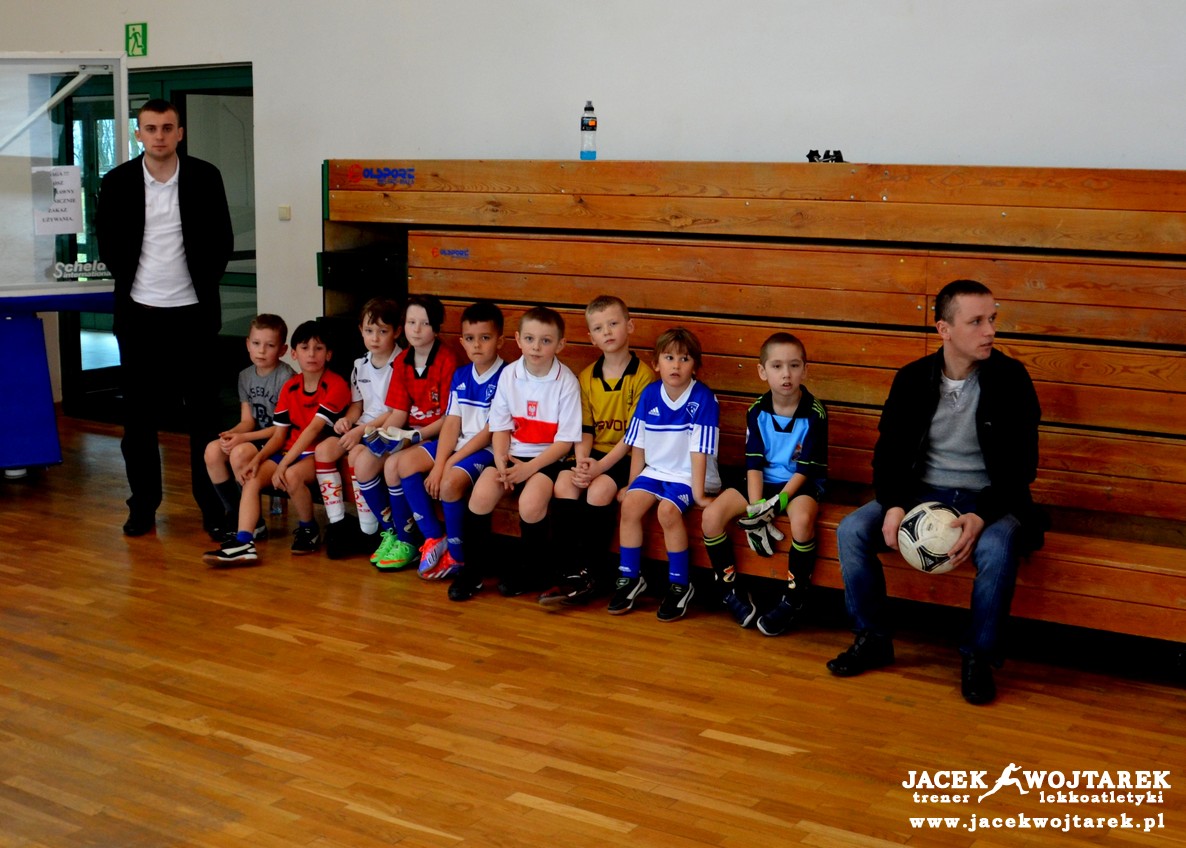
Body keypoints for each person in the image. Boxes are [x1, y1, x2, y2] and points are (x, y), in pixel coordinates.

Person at [827, 279, 1046, 705]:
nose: (990, 331)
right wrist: (892, 505)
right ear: (944, 329)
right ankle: (872, 637)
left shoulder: (1011, 379)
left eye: (992, 319)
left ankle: (978, 657)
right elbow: (887, 456)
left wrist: (983, 514)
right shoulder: (911, 380)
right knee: (852, 530)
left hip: (992, 497)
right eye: (976, 321)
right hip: (920, 494)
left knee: (997, 549)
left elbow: (1022, 468)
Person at [96, 98, 234, 537]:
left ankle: (213, 507)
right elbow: (108, 243)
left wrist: (197, 284)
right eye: (150, 128)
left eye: (167, 128)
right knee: (138, 421)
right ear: (139, 134)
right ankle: (143, 506)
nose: (159, 136)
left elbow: (222, 241)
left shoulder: (205, 177)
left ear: (180, 133)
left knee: (203, 418)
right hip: (140, 317)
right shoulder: (116, 182)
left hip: (193, 316)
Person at [448, 306, 581, 602]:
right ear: (519, 340)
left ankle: (530, 570)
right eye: (531, 339)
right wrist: (500, 461)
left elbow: (564, 444)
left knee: (531, 504)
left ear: (560, 344)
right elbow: (500, 427)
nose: (536, 347)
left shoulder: (567, 383)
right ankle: (473, 571)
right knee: (481, 494)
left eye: (546, 341)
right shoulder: (510, 375)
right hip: (510, 456)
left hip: (547, 461)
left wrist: (528, 469)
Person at [700, 332, 828, 635]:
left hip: (798, 485)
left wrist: (779, 503)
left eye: (795, 366)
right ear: (762, 372)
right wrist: (757, 507)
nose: (786, 374)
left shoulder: (815, 413)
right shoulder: (756, 410)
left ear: (805, 370)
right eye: (777, 366)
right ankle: (729, 590)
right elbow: (754, 464)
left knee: (802, 521)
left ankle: (794, 599)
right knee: (710, 517)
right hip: (760, 483)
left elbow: (805, 470)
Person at [540, 295, 657, 608]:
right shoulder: (586, 377)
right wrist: (582, 464)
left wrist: (599, 468)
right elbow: (585, 429)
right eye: (599, 327)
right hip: (594, 455)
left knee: (600, 490)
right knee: (565, 483)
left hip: (627, 457)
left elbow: (634, 437)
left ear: (629, 326)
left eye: (614, 323)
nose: (607, 331)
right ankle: (565, 573)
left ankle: (593, 573)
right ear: (591, 337)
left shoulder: (643, 376)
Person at [202, 320, 351, 564]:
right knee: (252, 477)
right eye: (304, 348)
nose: (311, 354)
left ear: (329, 354)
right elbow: (280, 434)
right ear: (294, 353)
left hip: (315, 453)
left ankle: (308, 528)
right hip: (288, 450)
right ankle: (244, 542)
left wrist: (282, 465)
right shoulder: (291, 387)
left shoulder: (335, 384)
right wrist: (258, 460)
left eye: (319, 348)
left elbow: (312, 431)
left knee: (291, 475)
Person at [609, 328, 721, 621]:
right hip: (656, 470)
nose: (676, 365)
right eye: (669, 358)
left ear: (694, 365)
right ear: (656, 363)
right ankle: (630, 577)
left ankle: (680, 584)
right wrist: (631, 486)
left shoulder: (704, 398)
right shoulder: (649, 395)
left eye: (684, 359)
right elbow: (639, 446)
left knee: (668, 511)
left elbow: (699, 453)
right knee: (630, 505)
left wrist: (699, 495)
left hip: (690, 475)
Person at [396, 300, 508, 581]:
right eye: (470, 339)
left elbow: (490, 431)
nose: (477, 346)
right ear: (462, 341)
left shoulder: (508, 376)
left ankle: (458, 557)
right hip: (457, 447)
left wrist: (447, 464)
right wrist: (440, 461)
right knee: (405, 463)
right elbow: (451, 424)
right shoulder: (461, 375)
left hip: (484, 451)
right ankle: (434, 538)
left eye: (485, 338)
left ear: (501, 340)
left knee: (448, 484)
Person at [353, 294, 458, 571]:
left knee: (392, 467)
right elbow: (399, 412)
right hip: (410, 432)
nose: (416, 329)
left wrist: (415, 437)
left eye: (424, 323)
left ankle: (410, 540)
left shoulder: (447, 360)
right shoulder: (402, 362)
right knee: (363, 461)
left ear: (436, 328)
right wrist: (383, 434)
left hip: (438, 434)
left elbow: (450, 418)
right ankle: (391, 532)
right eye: (411, 322)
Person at [314, 298, 404, 559]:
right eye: (369, 331)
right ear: (360, 331)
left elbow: (394, 412)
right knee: (324, 451)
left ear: (397, 332)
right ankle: (338, 523)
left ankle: (369, 531)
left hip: (386, 430)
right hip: (362, 427)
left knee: (354, 456)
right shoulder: (359, 365)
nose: (375, 338)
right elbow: (358, 404)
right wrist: (347, 421)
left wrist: (361, 430)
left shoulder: (401, 364)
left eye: (382, 331)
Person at [203, 313, 295, 541]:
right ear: (247, 344)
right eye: (256, 344)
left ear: (282, 350)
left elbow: (281, 429)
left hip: (279, 439)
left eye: (269, 345)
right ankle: (238, 515)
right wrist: (233, 434)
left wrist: (242, 440)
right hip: (256, 434)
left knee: (240, 453)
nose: (261, 351)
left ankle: (253, 523)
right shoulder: (245, 376)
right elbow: (248, 421)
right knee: (212, 451)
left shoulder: (286, 377)